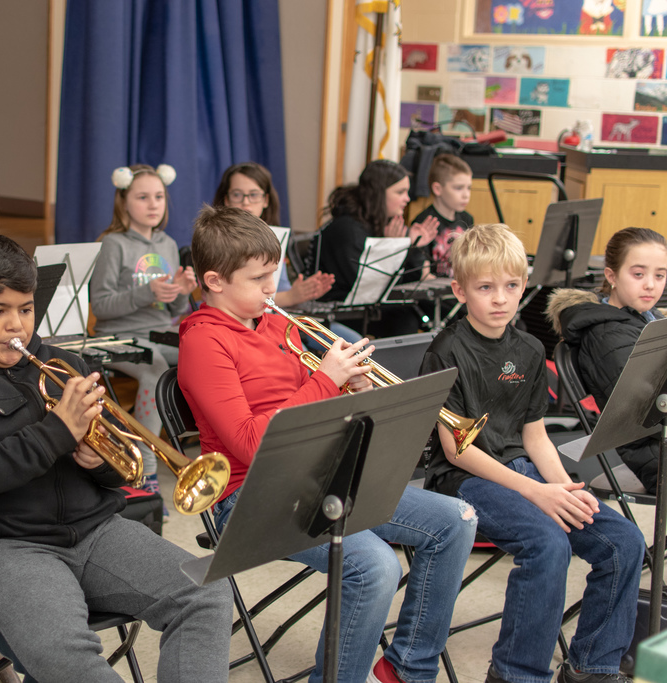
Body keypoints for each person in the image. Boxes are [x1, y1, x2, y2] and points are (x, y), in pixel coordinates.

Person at [0, 232, 232, 683]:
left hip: (94, 531)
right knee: (69, 659)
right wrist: (55, 433)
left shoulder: (56, 363)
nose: (16, 326)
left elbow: (118, 470)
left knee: (207, 591)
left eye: (26, 309)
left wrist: (100, 461)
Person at [178, 205, 476, 683]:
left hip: (323, 473)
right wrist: (324, 380)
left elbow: (316, 409)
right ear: (214, 281)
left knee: (457, 520)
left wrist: (352, 390)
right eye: (257, 280)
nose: (271, 290)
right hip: (252, 494)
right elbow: (253, 444)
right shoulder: (204, 342)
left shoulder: (279, 325)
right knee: (374, 565)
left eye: (272, 275)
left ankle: (407, 669)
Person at [421, 223, 645, 683]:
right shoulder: (447, 350)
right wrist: (537, 493)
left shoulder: (528, 347)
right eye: (485, 288)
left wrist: (561, 487)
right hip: (463, 480)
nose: (500, 298)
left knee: (624, 542)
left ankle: (592, 668)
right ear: (460, 290)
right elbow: (456, 451)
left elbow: (536, 435)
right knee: (547, 544)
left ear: (523, 286)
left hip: (521, 470)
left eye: (511, 286)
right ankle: (516, 674)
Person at [89, 163, 196, 505]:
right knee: (156, 367)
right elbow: (101, 307)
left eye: (159, 197)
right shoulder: (113, 244)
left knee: (205, 354)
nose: (153, 204)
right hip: (117, 337)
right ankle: (145, 469)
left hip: (157, 332)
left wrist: (181, 291)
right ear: (124, 202)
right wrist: (147, 292)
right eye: (143, 197)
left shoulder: (168, 243)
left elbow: (174, 311)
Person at [546, 227, 667, 493]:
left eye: (660, 275)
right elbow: (646, 407)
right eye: (638, 274)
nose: (650, 284)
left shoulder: (647, 316)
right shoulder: (605, 335)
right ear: (611, 276)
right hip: (653, 452)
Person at [305, 159, 440, 336]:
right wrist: (396, 248)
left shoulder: (380, 223)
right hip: (336, 309)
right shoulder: (347, 229)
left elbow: (408, 280)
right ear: (378, 194)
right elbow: (367, 286)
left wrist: (411, 246)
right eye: (400, 192)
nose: (407, 199)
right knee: (404, 319)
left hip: (364, 306)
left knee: (423, 310)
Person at [213, 161, 334, 306]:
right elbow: (231, 298)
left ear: (266, 200)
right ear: (226, 199)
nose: (246, 203)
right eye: (237, 195)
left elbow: (279, 290)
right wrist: (291, 297)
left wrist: (300, 293)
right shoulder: (216, 239)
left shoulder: (273, 236)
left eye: (254, 195)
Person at [409, 154, 473, 278]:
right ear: (437, 189)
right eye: (459, 188)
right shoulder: (423, 222)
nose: (466, 195)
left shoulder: (467, 219)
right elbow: (424, 275)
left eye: (469, 188)